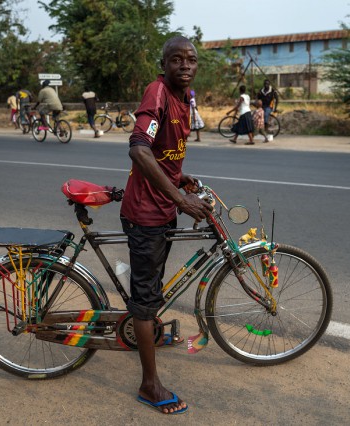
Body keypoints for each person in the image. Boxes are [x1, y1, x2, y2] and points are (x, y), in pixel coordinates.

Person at [120, 35, 212, 415]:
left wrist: (180, 177)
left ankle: (146, 323)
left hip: (163, 207)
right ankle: (149, 385)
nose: (185, 66)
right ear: (165, 64)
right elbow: (140, 147)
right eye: (177, 60)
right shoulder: (157, 92)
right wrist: (180, 198)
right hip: (146, 213)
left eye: (191, 60)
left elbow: (163, 153)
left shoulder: (184, 99)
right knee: (144, 304)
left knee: (151, 290)